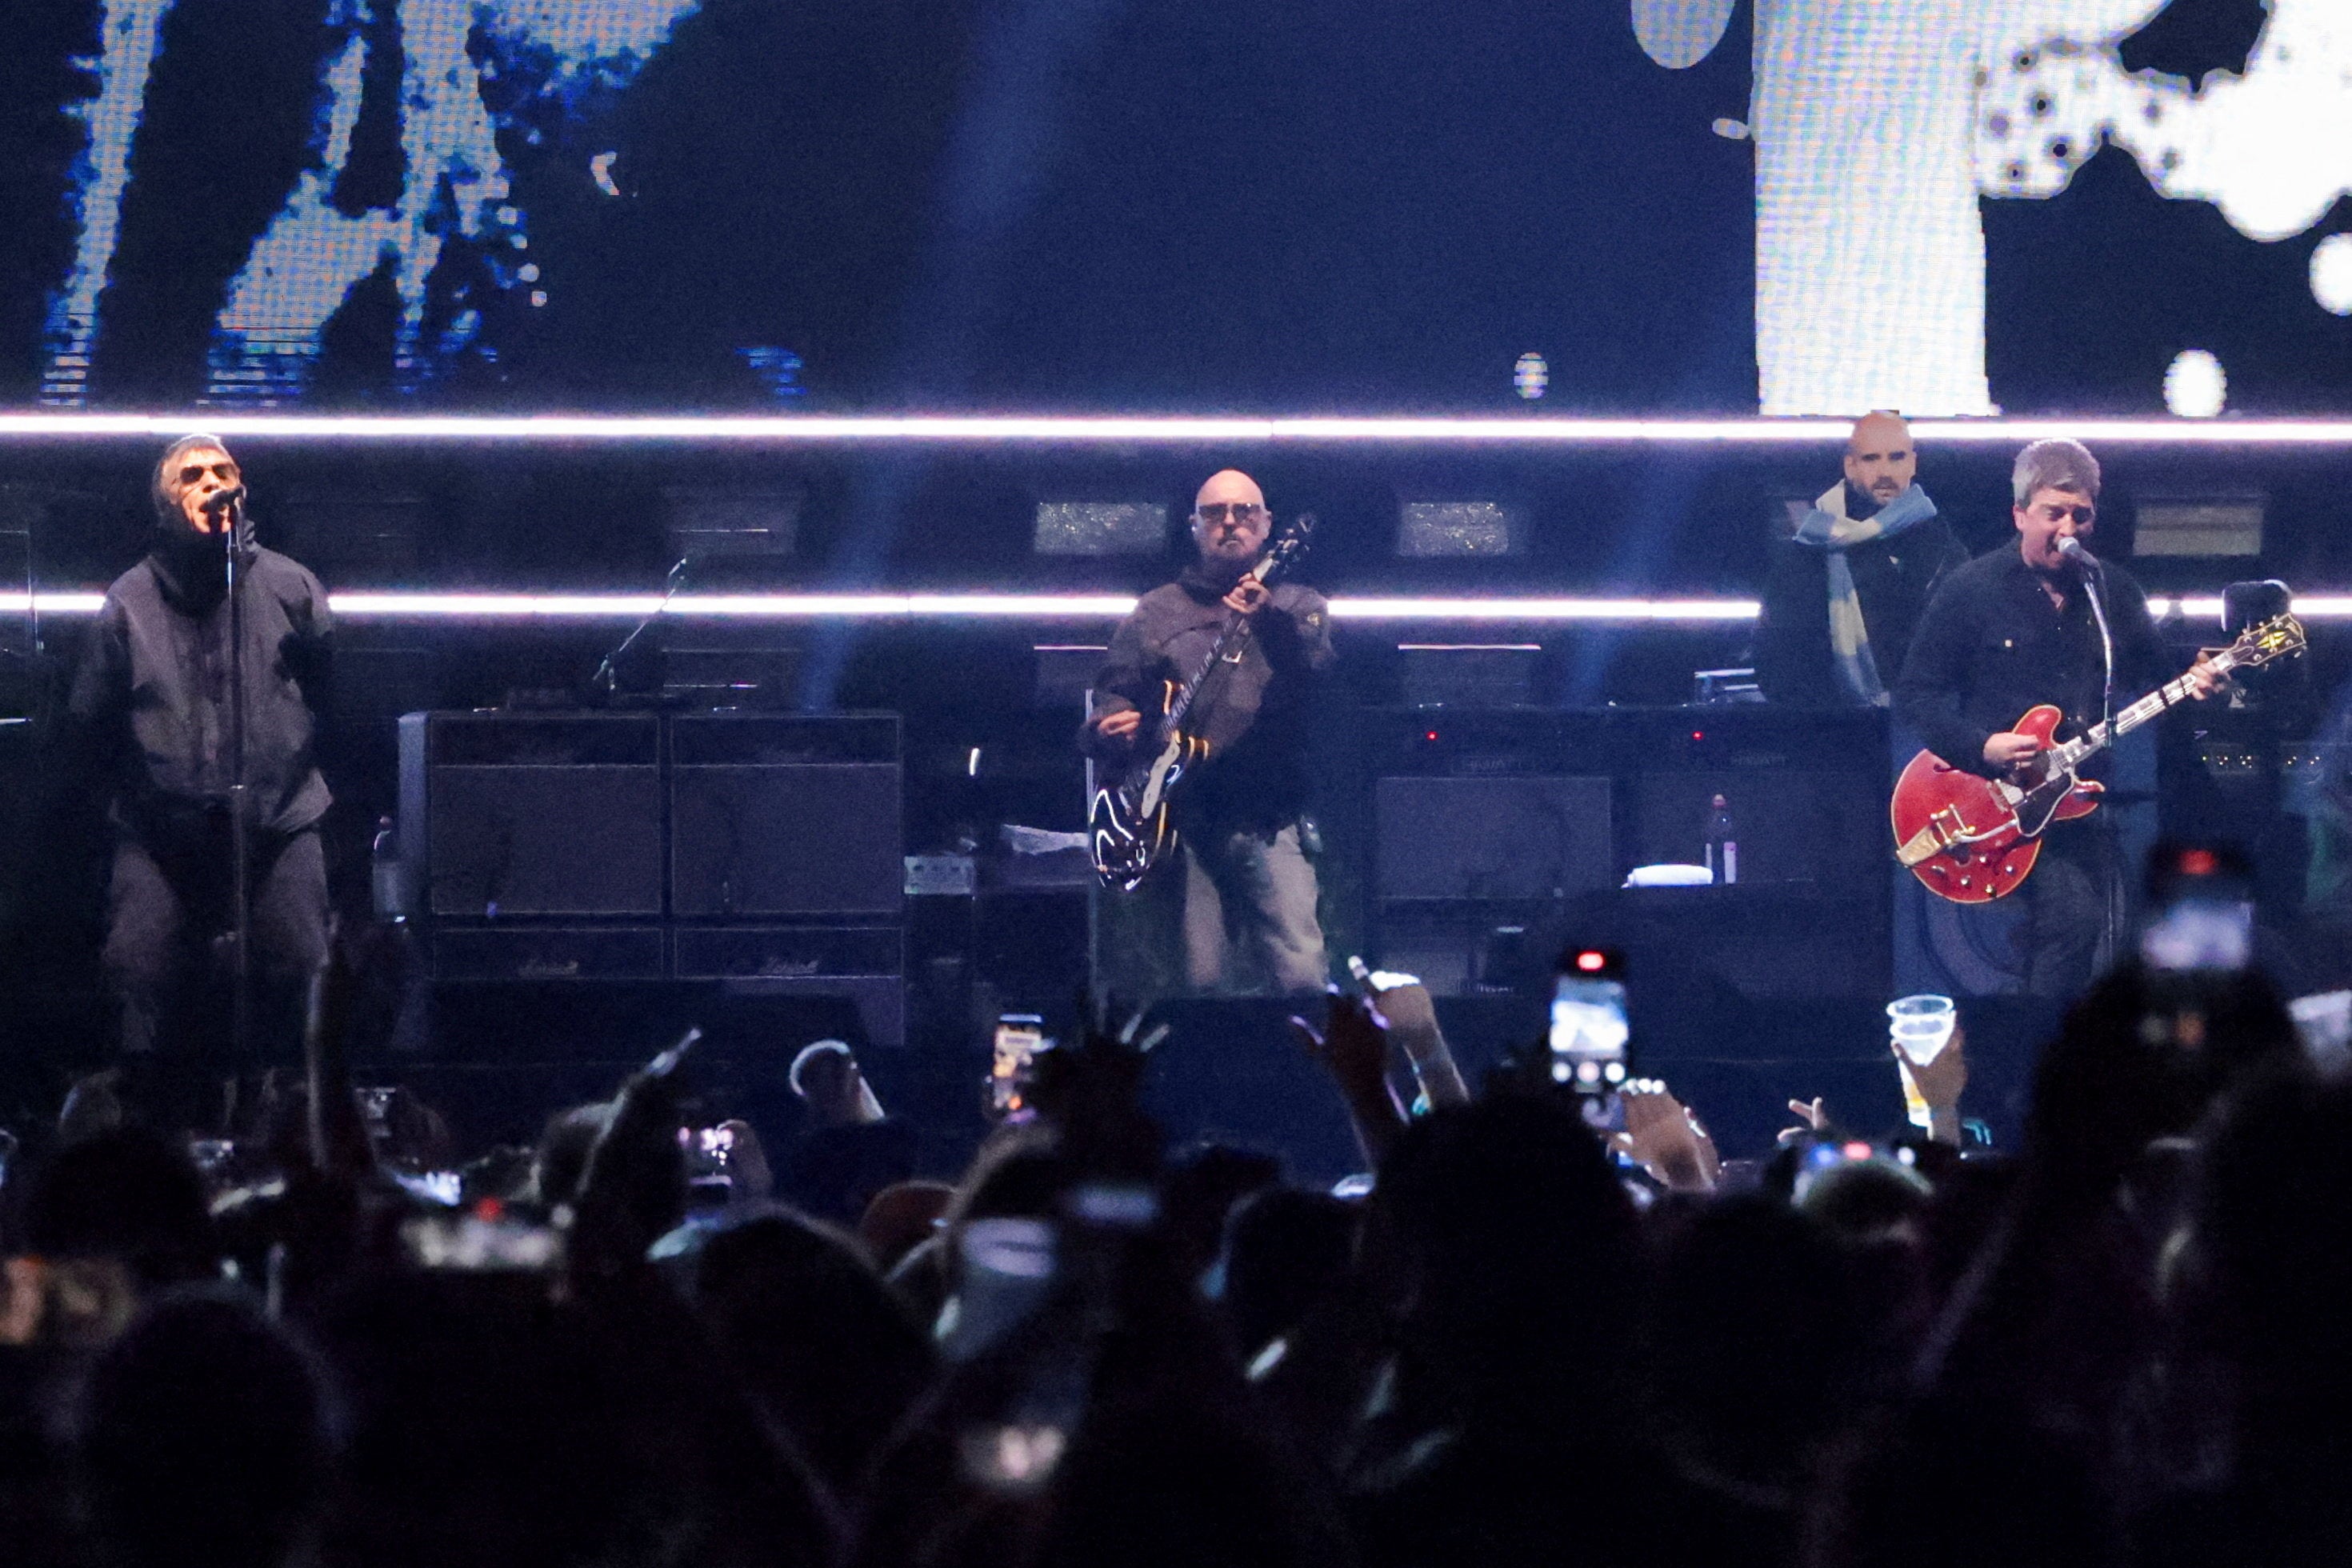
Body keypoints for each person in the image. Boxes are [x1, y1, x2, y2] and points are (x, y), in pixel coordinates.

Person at [68, 435, 334, 1120]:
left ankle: (299, 1128)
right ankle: (142, 1135)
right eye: (194, 475)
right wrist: (138, 807)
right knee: (136, 965)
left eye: (225, 471)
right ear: (164, 503)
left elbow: (335, 697)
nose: (213, 483)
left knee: (308, 965)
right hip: (162, 835)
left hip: (278, 823)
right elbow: (86, 728)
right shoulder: (127, 603)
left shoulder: (290, 586)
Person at [1894, 438, 2214, 998]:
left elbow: (2158, 676)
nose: (2069, 527)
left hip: (2074, 802)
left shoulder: (2111, 591)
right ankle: (2035, 1061)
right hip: (1984, 802)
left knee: (2099, 932)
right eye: (2054, 513)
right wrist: (1982, 746)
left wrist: (2201, 677)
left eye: (2081, 515)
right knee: (2073, 920)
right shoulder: (1971, 590)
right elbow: (1918, 695)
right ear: (2020, 515)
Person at [1088, 470, 1334, 994]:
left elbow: (1317, 682)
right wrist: (1113, 725)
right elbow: (1113, 691)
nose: (1230, 522)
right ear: (1194, 526)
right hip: (1185, 819)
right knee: (1199, 980)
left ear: (1267, 525)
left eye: (1244, 511)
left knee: (1302, 975)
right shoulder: (1155, 612)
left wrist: (1269, 621)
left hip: (1269, 812)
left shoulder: (1299, 606)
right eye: (1215, 513)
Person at [1755, 410, 1969, 707]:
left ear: (1913, 464)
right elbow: (1777, 660)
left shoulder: (1943, 544)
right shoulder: (1809, 550)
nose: (1885, 471)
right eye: (1871, 458)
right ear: (1850, 466)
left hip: (1928, 729)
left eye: (1896, 458)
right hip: (1835, 730)